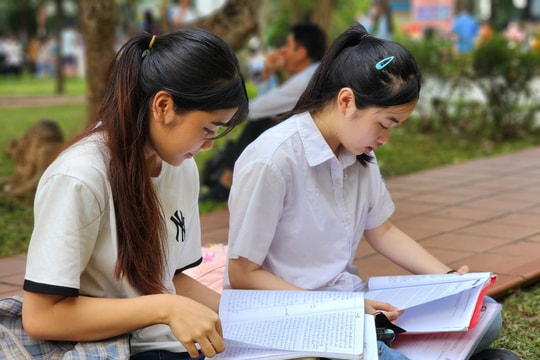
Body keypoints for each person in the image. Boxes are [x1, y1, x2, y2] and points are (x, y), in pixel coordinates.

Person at [225, 23, 513, 360]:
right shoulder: (273, 159)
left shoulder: (358, 152)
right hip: (292, 315)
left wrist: (450, 281)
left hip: (349, 304)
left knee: (486, 314)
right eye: (385, 123)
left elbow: (383, 230)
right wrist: (344, 309)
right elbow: (243, 274)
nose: (385, 139)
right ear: (346, 100)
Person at [21, 29, 248, 359]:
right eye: (206, 130)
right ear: (163, 106)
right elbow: (42, 316)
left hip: (166, 342)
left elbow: (171, 280)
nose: (209, 146)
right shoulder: (80, 177)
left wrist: (252, 319)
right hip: (114, 347)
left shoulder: (180, 167)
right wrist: (165, 308)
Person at [200, 23, 327, 202]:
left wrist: (267, 71)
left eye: (288, 45)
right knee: (261, 122)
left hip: (311, 147)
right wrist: (269, 71)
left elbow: (254, 110)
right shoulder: (314, 74)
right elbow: (267, 105)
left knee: (258, 124)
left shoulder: (307, 80)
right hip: (310, 143)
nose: (283, 51)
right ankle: (227, 183)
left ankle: (226, 184)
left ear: (301, 53)